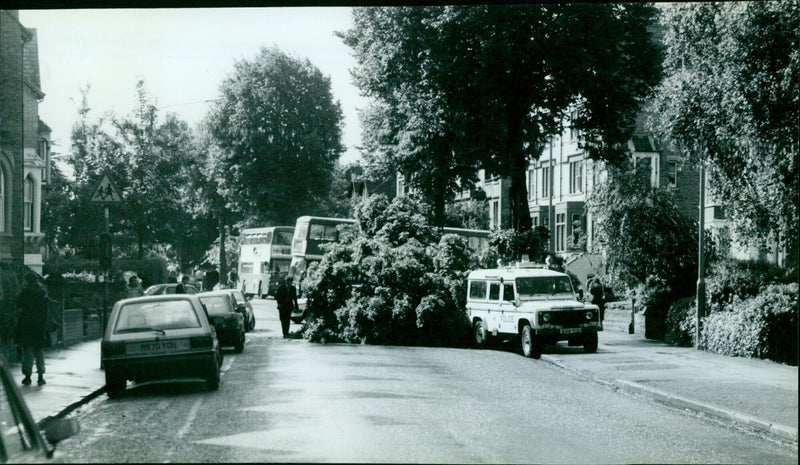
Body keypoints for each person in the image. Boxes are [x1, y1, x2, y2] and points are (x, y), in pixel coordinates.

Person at [15, 274, 50, 386]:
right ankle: (40, 376)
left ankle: (27, 376)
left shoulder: (25, 292)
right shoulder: (42, 293)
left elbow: (17, 304)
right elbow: (46, 311)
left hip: (27, 325)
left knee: (28, 352)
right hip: (40, 326)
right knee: (39, 351)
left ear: (27, 281)